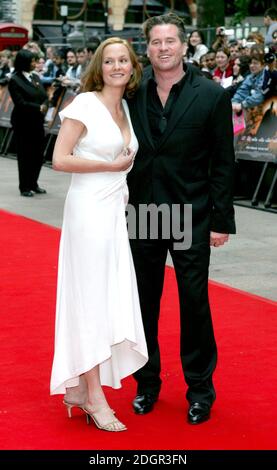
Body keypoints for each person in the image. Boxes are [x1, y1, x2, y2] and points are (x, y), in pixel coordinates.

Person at [127, 13, 236, 425]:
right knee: (144, 304)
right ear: (147, 47)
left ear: (184, 45)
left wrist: (221, 220)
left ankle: (200, 392)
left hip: (191, 212)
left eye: (171, 40)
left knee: (194, 303)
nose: (164, 48)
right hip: (146, 211)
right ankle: (147, 384)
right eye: (156, 42)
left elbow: (224, 162)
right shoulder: (131, 93)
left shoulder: (210, 94)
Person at [50, 37, 148, 432]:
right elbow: (60, 159)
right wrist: (107, 168)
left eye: (123, 59)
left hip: (113, 213)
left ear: (132, 66)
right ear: (99, 67)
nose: (117, 66)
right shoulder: (85, 103)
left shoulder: (125, 106)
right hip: (88, 212)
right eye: (109, 61)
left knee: (106, 297)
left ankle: (77, 388)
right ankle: (93, 396)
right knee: (90, 300)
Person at [8, 49, 48, 197]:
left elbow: (44, 95)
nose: (35, 63)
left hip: (37, 122)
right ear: (24, 62)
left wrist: (45, 104)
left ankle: (34, 183)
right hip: (23, 124)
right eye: (32, 61)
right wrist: (39, 107)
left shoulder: (36, 77)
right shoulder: (15, 80)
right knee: (25, 155)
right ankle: (24, 186)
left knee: (38, 155)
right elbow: (20, 103)